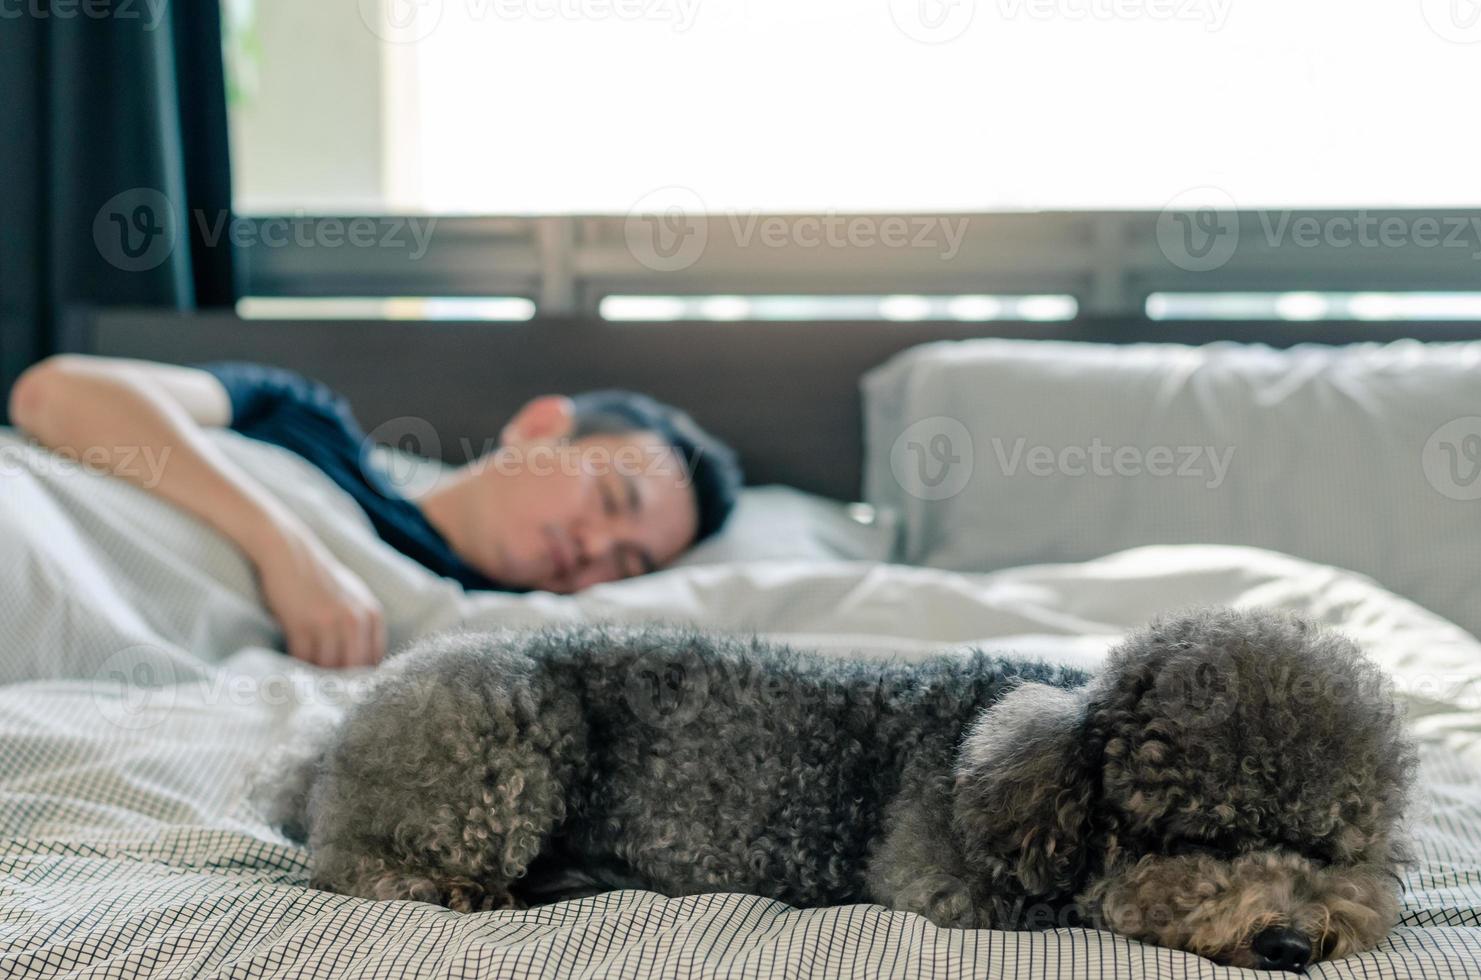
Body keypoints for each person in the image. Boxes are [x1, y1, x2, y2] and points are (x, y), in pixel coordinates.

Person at [8, 355, 742, 668]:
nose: (595, 548)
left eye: (627, 562)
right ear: (542, 426)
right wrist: (286, 549)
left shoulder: (472, 636)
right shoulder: (303, 421)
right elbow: (55, 395)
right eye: (610, 498)